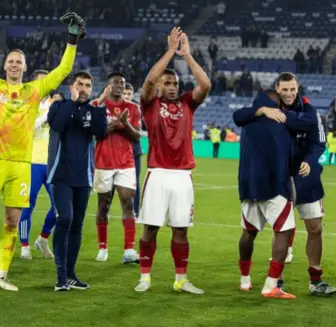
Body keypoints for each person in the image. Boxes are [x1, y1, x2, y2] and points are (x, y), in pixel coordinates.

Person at [0, 0, 85, 291]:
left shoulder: (35, 91)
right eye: (11, 61)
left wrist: (71, 39)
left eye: (19, 61)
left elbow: (63, 68)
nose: (15, 64)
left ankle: (2, 275)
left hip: (21, 165)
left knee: (11, 220)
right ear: (4, 66)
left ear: (25, 67)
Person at [234, 73, 336, 296]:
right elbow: (239, 115)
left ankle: (316, 280)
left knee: (315, 228)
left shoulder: (309, 112)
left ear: (297, 89)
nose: (288, 93)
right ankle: (276, 280)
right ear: (277, 89)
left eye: (292, 89)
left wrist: (309, 161)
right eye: (284, 90)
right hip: (279, 177)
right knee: (281, 227)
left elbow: (319, 143)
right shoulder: (267, 108)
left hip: (306, 177)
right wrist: (262, 111)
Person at [135, 27, 211, 294]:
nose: (171, 87)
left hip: (182, 176)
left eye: (175, 84)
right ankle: (145, 277)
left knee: (181, 230)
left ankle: (181, 279)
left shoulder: (188, 104)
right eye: (166, 83)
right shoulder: (150, 104)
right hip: (158, 173)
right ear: (158, 87)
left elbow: (206, 85)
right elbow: (147, 82)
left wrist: (187, 56)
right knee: (151, 228)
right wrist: (169, 51)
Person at [232, 90, 299, 299]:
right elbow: (291, 156)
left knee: (248, 232)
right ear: (277, 102)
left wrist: (258, 110)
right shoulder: (282, 122)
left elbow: (237, 115)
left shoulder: (247, 120)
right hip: (275, 185)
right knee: (283, 232)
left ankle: (245, 280)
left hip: (249, 185)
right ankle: (270, 285)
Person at [47, 72, 109, 290]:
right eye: (79, 84)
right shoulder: (59, 106)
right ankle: (61, 276)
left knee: (77, 225)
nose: (83, 88)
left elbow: (101, 133)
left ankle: (71, 274)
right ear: (71, 86)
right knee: (65, 218)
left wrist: (100, 106)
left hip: (83, 177)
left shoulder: (92, 111)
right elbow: (58, 125)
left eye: (88, 85)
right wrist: (71, 100)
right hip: (60, 174)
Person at [91, 72, 141, 264]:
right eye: (115, 83)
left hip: (126, 163)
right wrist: (113, 124)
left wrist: (126, 123)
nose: (120, 86)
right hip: (103, 162)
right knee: (103, 205)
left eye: (122, 83)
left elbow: (136, 136)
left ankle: (129, 249)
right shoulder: (99, 107)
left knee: (127, 203)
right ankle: (102, 248)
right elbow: (95, 132)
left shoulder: (132, 108)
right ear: (108, 86)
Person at [19, 69, 60, 260]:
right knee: (27, 206)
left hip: (52, 163)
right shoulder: (28, 104)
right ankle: (24, 245)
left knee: (59, 205)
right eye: (41, 81)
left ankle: (43, 238)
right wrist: (49, 112)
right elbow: (30, 127)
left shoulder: (57, 103)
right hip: (32, 162)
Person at [124, 83, 143, 219]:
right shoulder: (113, 107)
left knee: (135, 182)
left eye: (128, 94)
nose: (126, 96)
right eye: (124, 94)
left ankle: (135, 213)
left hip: (134, 151)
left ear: (132, 94)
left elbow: (137, 131)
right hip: (119, 152)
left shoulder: (136, 108)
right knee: (111, 185)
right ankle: (104, 212)